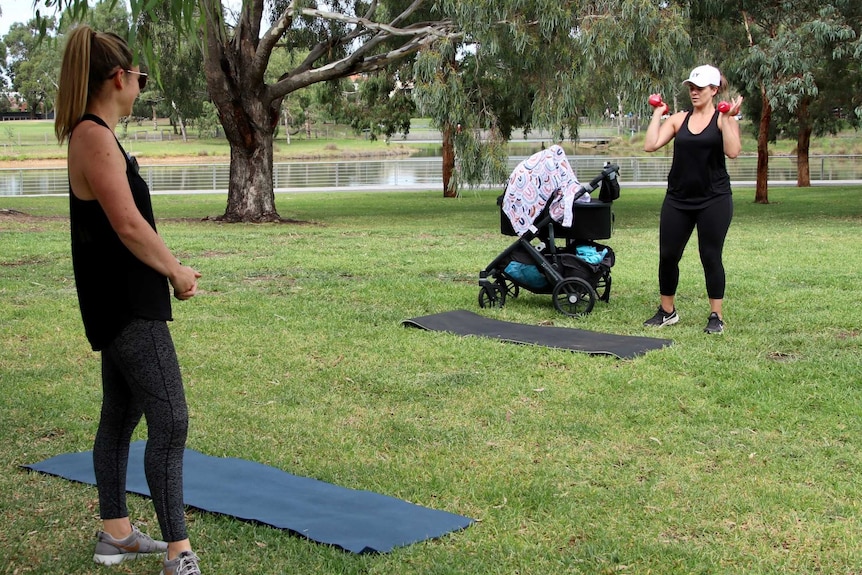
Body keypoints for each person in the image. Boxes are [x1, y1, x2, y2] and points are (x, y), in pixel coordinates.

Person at [55, 25, 203, 575]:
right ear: (120, 78)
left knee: (121, 415)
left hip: (119, 305)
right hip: (128, 309)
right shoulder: (93, 136)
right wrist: (176, 272)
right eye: (140, 77)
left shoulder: (94, 135)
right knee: (171, 420)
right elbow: (127, 224)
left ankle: (115, 534)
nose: (141, 85)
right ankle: (177, 553)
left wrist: (168, 269)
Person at [642, 64, 743, 334]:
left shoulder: (723, 118)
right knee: (668, 255)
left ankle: (716, 316)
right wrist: (657, 114)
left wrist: (729, 119)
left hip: (714, 198)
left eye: (700, 88)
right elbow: (650, 145)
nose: (694, 92)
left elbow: (733, 151)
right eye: (691, 87)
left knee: (710, 256)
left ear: (714, 90)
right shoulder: (678, 119)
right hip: (678, 199)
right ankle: (667, 311)